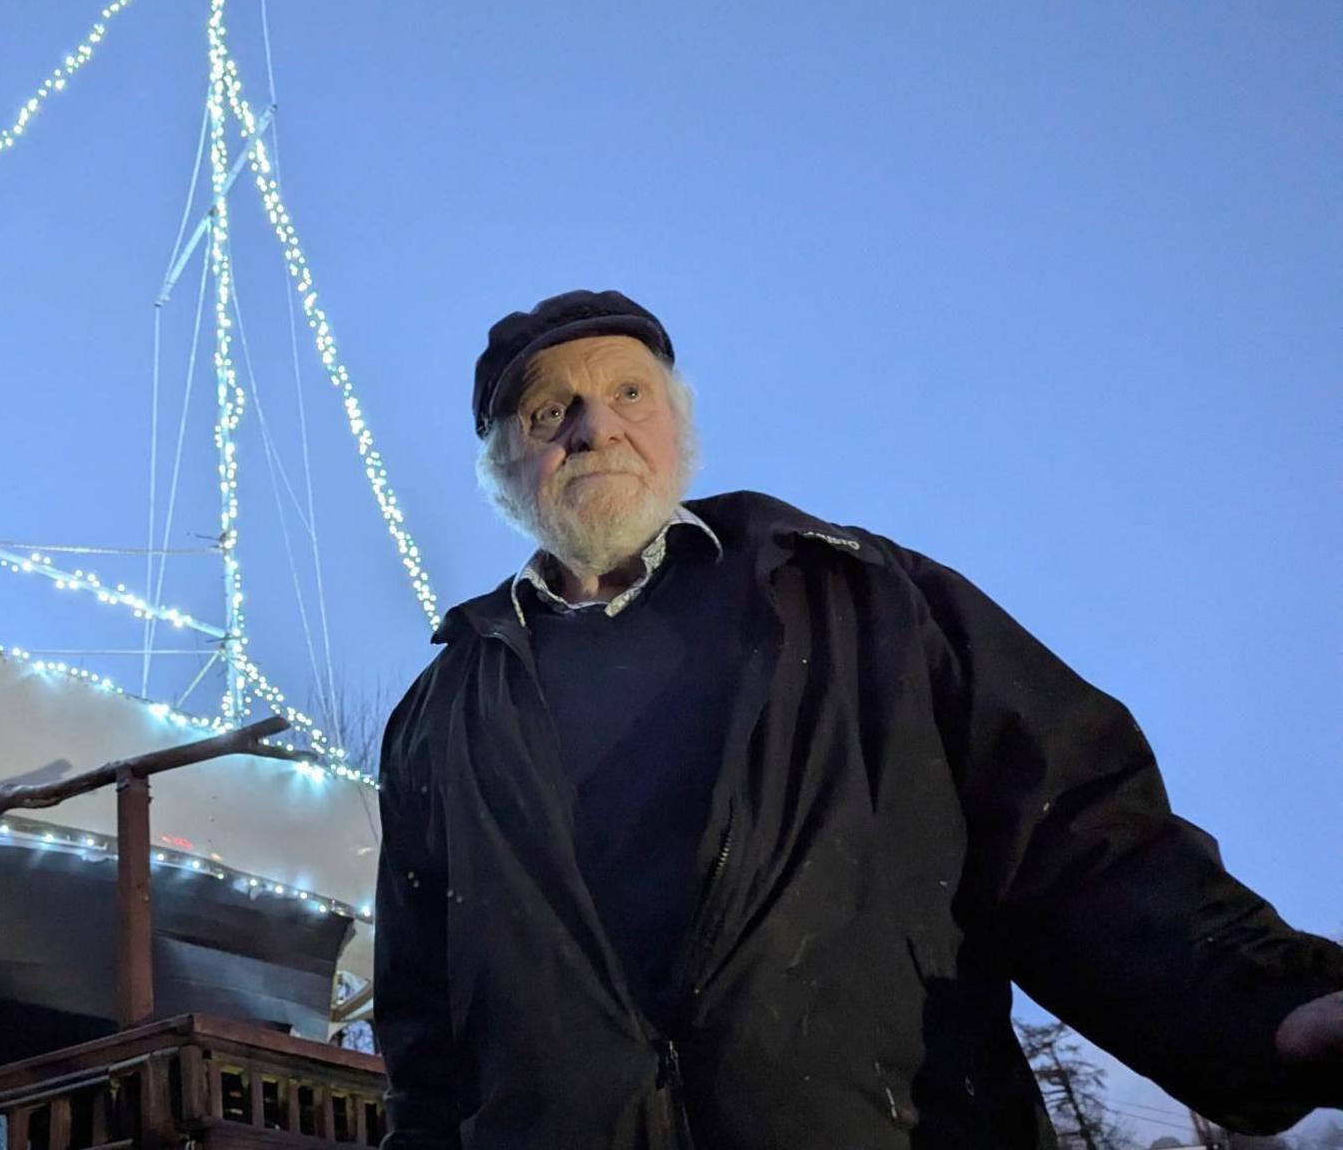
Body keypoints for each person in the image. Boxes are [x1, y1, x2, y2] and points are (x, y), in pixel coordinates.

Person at [372, 289, 1343, 1149]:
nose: (593, 427)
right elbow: (426, 1031)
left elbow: (1075, 833)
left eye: (629, 393)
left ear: (677, 427)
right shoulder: (442, 713)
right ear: (502, 469)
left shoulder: (864, 601)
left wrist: (1265, 1005)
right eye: (549, 412)